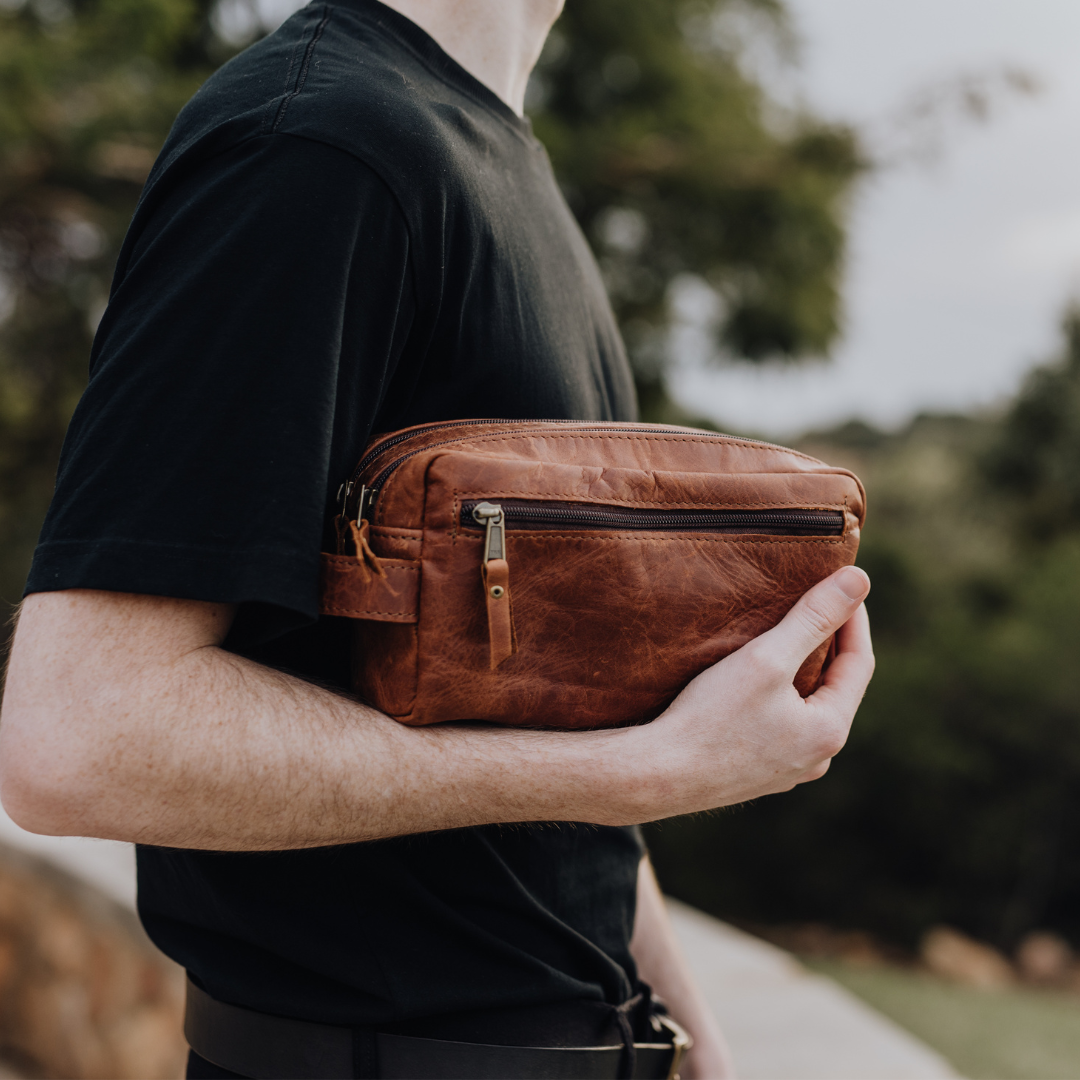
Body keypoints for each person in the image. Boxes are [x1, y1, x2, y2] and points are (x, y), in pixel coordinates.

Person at [0, 0, 875, 1077]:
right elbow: (80, 739)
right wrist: (636, 771)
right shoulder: (319, 145)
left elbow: (553, 738)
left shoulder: (491, 151)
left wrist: (694, 1039)